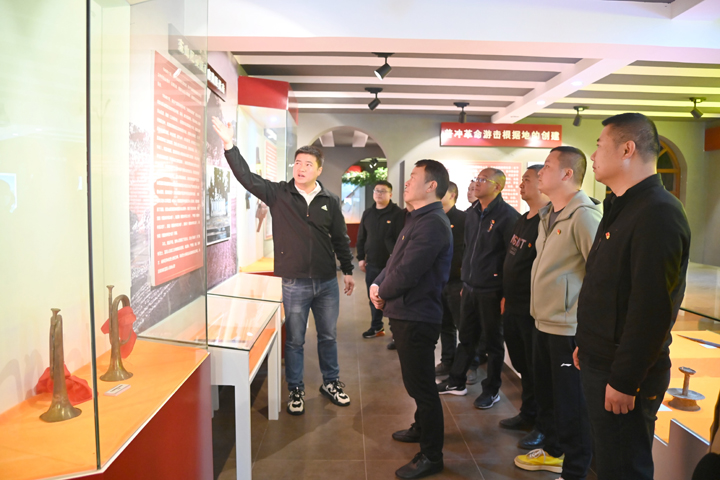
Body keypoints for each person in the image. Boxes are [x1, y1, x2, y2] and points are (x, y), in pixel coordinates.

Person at [211, 117, 355, 416]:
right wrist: (229, 144)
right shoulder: (278, 194)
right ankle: (296, 389)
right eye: (297, 163)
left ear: (319, 170)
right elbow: (246, 177)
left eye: (307, 164)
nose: (300, 168)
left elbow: (340, 238)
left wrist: (348, 270)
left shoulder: (329, 200)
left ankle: (331, 382)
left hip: (327, 282)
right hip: (294, 282)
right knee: (296, 340)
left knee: (328, 336)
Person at [575, 113, 691, 480]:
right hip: (601, 359)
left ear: (627, 149)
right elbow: (607, 286)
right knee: (607, 462)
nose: (593, 155)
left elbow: (651, 309)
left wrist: (626, 379)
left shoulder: (657, 212)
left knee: (624, 468)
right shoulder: (621, 205)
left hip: (623, 371)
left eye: (599, 146)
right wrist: (587, 343)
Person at [514, 146, 599, 480]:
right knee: (548, 396)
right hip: (543, 321)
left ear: (567, 173)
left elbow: (600, 274)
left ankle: (575, 469)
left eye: (547, 166)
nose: (540, 173)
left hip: (567, 328)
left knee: (571, 403)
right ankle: (553, 452)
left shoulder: (584, 215)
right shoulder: (548, 214)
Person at [369, 160, 453, 479]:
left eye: (414, 177)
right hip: (406, 311)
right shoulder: (417, 217)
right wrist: (378, 284)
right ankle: (421, 427)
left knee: (422, 387)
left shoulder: (432, 223)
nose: (406, 182)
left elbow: (408, 272)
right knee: (416, 383)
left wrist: (381, 292)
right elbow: (395, 261)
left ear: (431, 185)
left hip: (418, 315)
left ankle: (431, 455)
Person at [437, 168, 519, 410]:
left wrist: (505, 294)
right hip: (470, 286)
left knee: (493, 343)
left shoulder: (508, 216)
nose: (476, 183)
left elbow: (510, 260)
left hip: (492, 290)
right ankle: (456, 381)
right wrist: (466, 280)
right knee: (466, 337)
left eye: (483, 180)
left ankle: (491, 390)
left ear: (497, 186)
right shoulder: (472, 214)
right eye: (476, 179)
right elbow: (467, 249)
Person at [499, 165, 549, 451]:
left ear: (542, 183)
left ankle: (543, 425)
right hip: (514, 304)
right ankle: (528, 413)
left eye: (527, 180)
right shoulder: (523, 219)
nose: (521, 185)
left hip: (534, 309)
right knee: (523, 365)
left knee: (537, 369)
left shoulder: (547, 220)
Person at [356, 180, 405, 339]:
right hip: (372, 263)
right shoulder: (368, 213)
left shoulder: (398, 214)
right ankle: (377, 326)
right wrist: (361, 258)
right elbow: (361, 237)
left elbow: (401, 240)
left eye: (383, 191)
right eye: (376, 190)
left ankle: (395, 332)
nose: (379, 194)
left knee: (392, 297)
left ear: (390, 194)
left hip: (391, 265)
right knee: (373, 297)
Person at [435, 181, 466, 376]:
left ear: (453, 195)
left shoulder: (463, 219)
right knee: (444, 324)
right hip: (439, 281)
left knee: (463, 326)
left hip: (457, 281)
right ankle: (447, 360)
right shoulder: (435, 218)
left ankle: (467, 365)